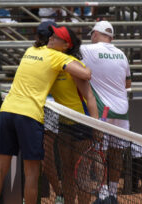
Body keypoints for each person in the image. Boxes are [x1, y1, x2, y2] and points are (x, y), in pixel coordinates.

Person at [0, 22, 92, 204]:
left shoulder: (30, 51)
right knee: (32, 175)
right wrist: (87, 68)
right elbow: (86, 74)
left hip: (7, 111)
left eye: (56, 36)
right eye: (52, 35)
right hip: (29, 115)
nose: (52, 37)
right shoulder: (58, 57)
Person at [40, 24, 98, 204]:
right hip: (64, 124)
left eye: (56, 37)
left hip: (82, 123)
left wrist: (96, 126)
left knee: (81, 173)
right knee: (66, 170)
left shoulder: (75, 66)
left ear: (67, 45)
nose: (51, 38)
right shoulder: (53, 64)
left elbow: (89, 97)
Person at [80, 20, 131, 204]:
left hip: (102, 111)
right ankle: (113, 194)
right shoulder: (122, 55)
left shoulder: (87, 50)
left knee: (99, 152)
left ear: (95, 34)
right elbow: (128, 84)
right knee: (117, 153)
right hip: (122, 111)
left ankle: (102, 195)